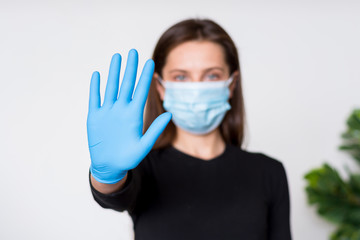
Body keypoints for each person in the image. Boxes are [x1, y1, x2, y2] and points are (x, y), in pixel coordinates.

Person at [87, 18, 292, 240]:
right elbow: (114, 195)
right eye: (181, 76)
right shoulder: (142, 168)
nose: (196, 87)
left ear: (231, 84)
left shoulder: (269, 173)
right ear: (160, 86)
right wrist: (106, 176)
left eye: (212, 75)